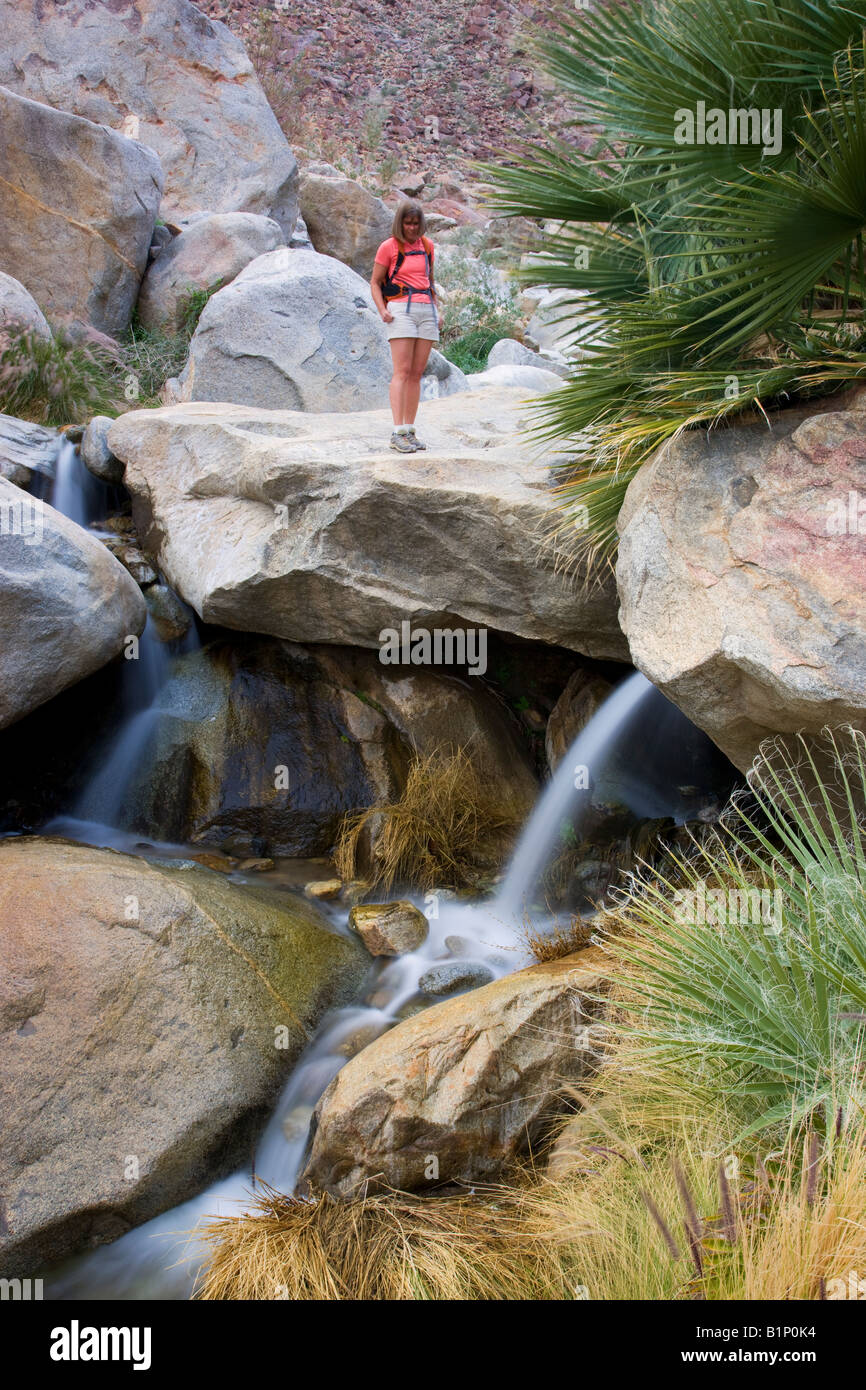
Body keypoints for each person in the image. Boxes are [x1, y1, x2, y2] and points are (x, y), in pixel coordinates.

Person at [371, 199, 443, 453]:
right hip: (401, 309)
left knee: (416, 372)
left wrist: (436, 310)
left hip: (425, 309)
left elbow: (430, 280)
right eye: (408, 223)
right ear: (400, 223)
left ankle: (409, 429)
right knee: (401, 370)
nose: (412, 228)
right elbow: (375, 282)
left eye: (416, 223)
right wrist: (382, 309)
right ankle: (397, 431)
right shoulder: (389, 248)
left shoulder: (427, 246)